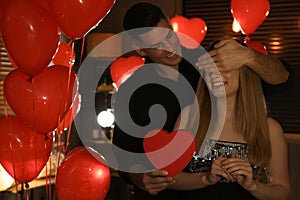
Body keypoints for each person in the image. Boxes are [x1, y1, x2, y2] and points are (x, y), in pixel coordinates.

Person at [112, 2, 293, 199]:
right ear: (141, 51)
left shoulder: (205, 61)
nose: (169, 48)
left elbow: (283, 79)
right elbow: (123, 155)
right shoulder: (131, 92)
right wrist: (141, 179)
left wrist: (249, 56)